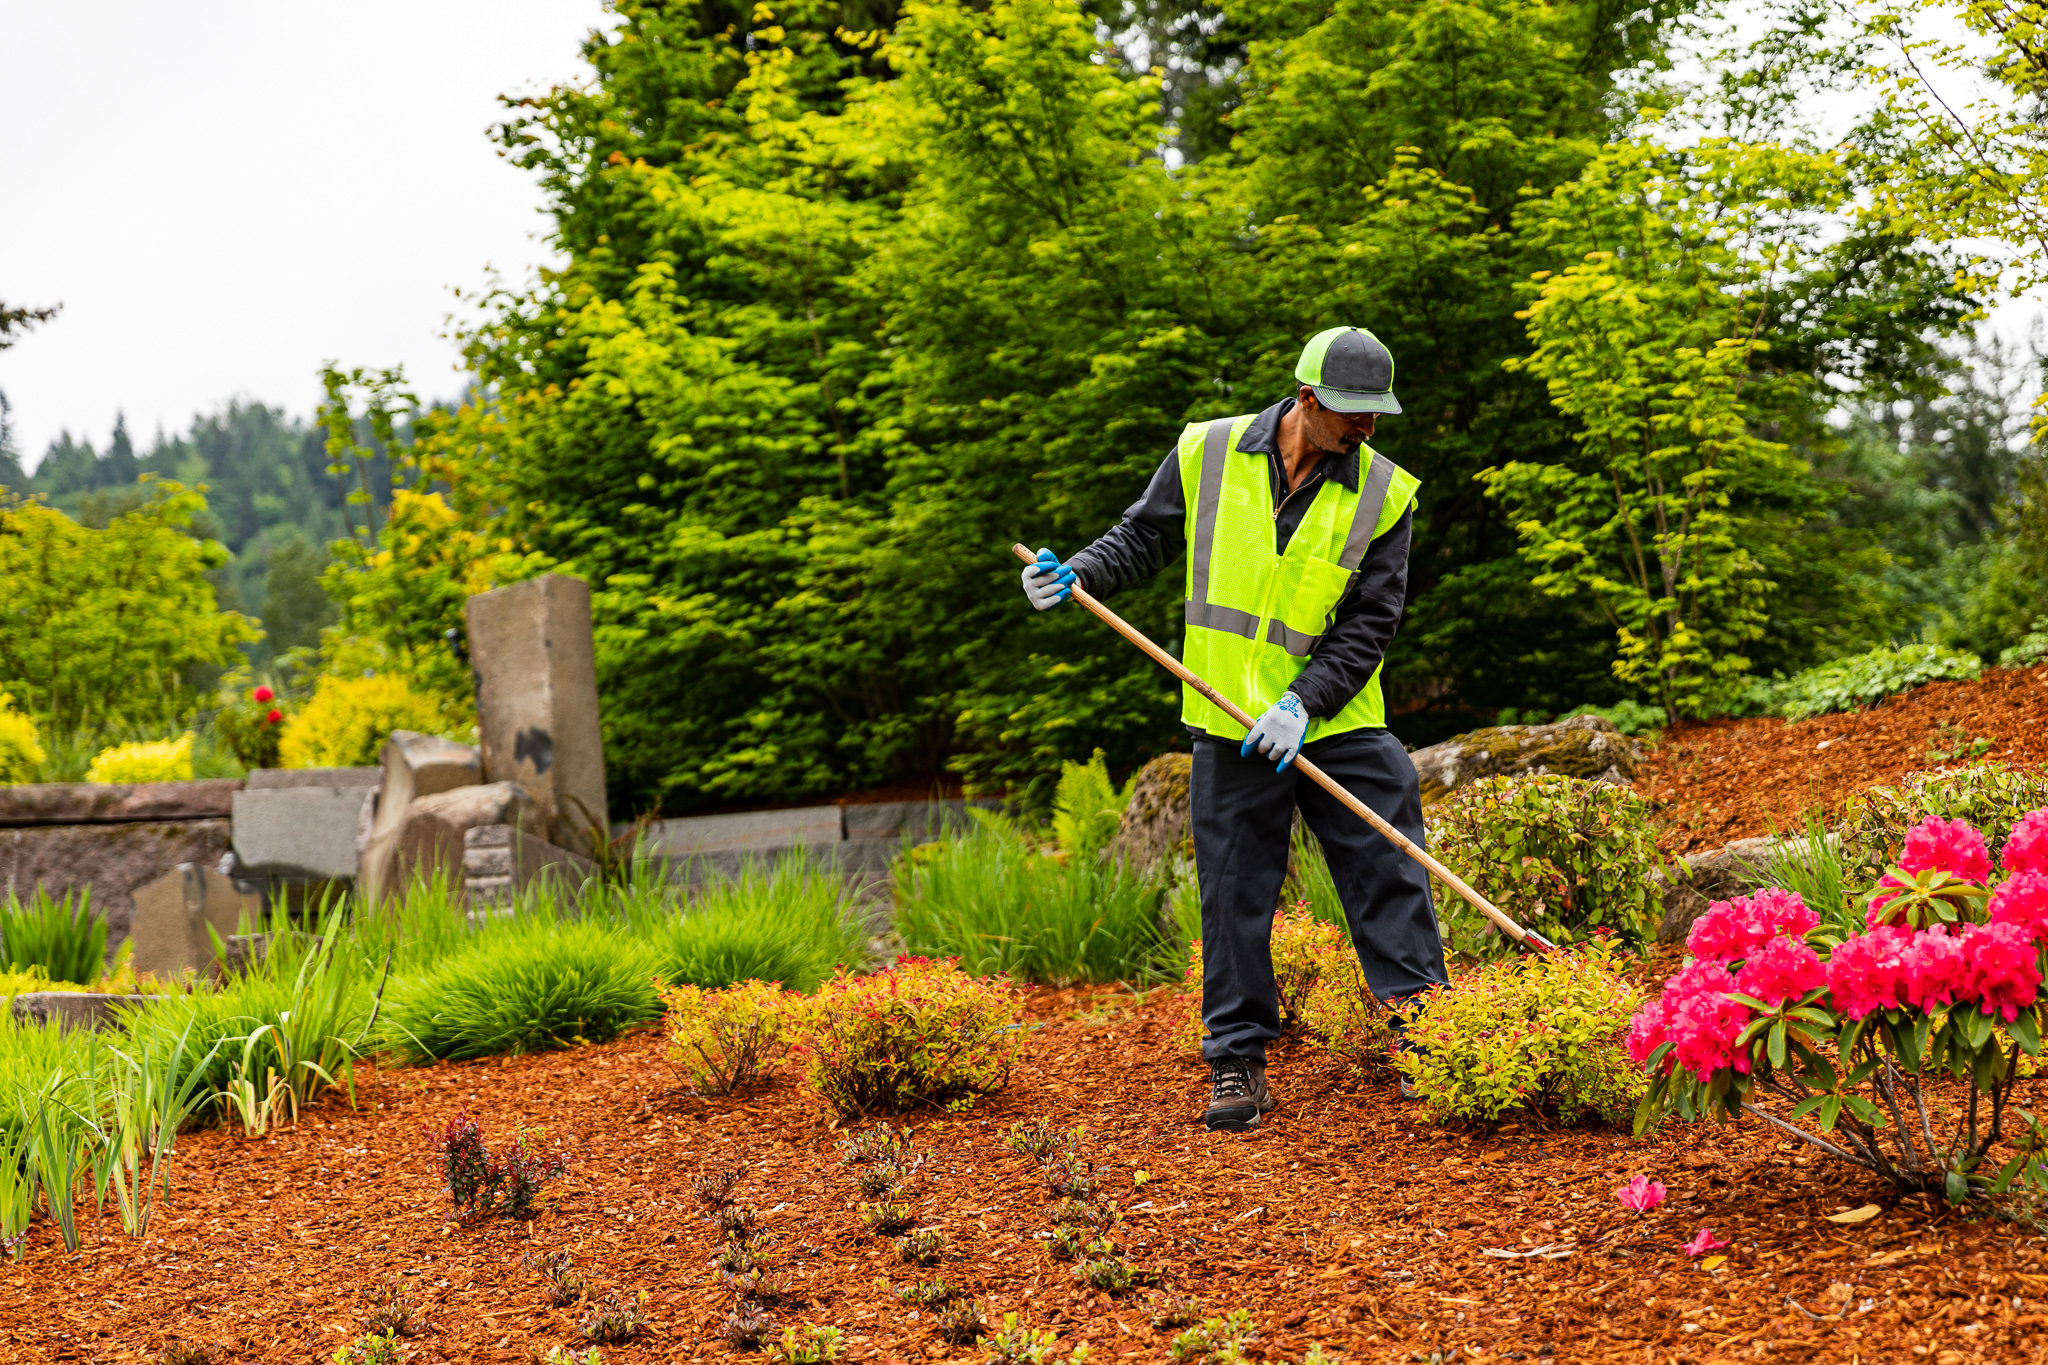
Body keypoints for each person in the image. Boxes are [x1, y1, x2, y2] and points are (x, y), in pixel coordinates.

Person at [1019, 326, 1448, 1131]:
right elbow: (1143, 534)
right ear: (1308, 399)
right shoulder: (1207, 450)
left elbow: (1369, 623)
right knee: (1233, 891)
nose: (1367, 429)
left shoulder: (1386, 493)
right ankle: (1238, 1062)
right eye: (1352, 412)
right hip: (1226, 715)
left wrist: (1302, 705)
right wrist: (1077, 571)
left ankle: (1426, 1037)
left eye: (1377, 415)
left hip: (1335, 717)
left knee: (1388, 864)